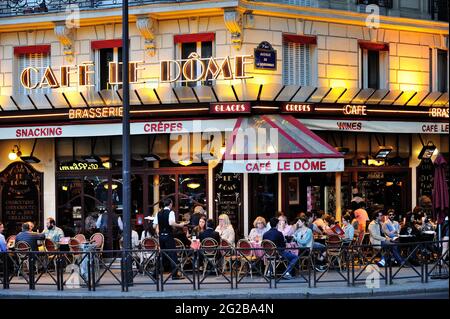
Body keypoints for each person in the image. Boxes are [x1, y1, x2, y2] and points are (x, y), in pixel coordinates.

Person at [153, 198, 187, 279]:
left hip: (161, 236)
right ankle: (174, 275)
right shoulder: (170, 212)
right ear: (170, 204)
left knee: (162, 254)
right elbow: (171, 222)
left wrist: (159, 229)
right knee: (173, 254)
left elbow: (154, 225)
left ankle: (155, 273)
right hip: (168, 236)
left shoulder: (158, 213)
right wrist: (180, 225)